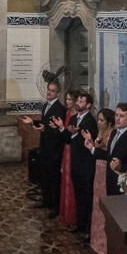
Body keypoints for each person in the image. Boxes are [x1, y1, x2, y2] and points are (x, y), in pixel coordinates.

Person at [53, 91, 98, 239]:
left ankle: (87, 229)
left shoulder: (91, 121)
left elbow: (85, 143)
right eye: (77, 100)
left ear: (88, 105)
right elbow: (67, 140)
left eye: (81, 101)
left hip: (86, 165)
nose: (77, 103)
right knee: (78, 196)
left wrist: (74, 134)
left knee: (87, 198)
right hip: (74, 164)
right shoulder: (72, 118)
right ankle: (79, 224)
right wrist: (62, 128)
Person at [19, 82, 67, 215]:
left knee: (54, 178)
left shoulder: (60, 109)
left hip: (54, 150)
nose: (49, 92)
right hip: (44, 148)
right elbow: (44, 125)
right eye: (48, 90)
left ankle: (55, 206)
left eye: (52, 91)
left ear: (58, 93)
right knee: (44, 176)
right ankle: (46, 200)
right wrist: (33, 122)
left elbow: (58, 131)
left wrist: (45, 129)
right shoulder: (46, 106)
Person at [81, 107, 115, 254]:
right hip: (97, 169)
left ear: (109, 122)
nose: (99, 122)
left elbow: (108, 155)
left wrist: (93, 149)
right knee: (96, 204)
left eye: (101, 120)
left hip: (105, 170)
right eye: (99, 119)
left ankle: (105, 244)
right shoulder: (101, 133)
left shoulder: (112, 135)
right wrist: (90, 144)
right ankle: (96, 239)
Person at [51, 90, 77, 228]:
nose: (67, 102)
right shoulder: (67, 113)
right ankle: (65, 213)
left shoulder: (75, 116)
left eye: (69, 99)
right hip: (65, 148)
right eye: (66, 99)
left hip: (72, 149)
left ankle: (71, 215)